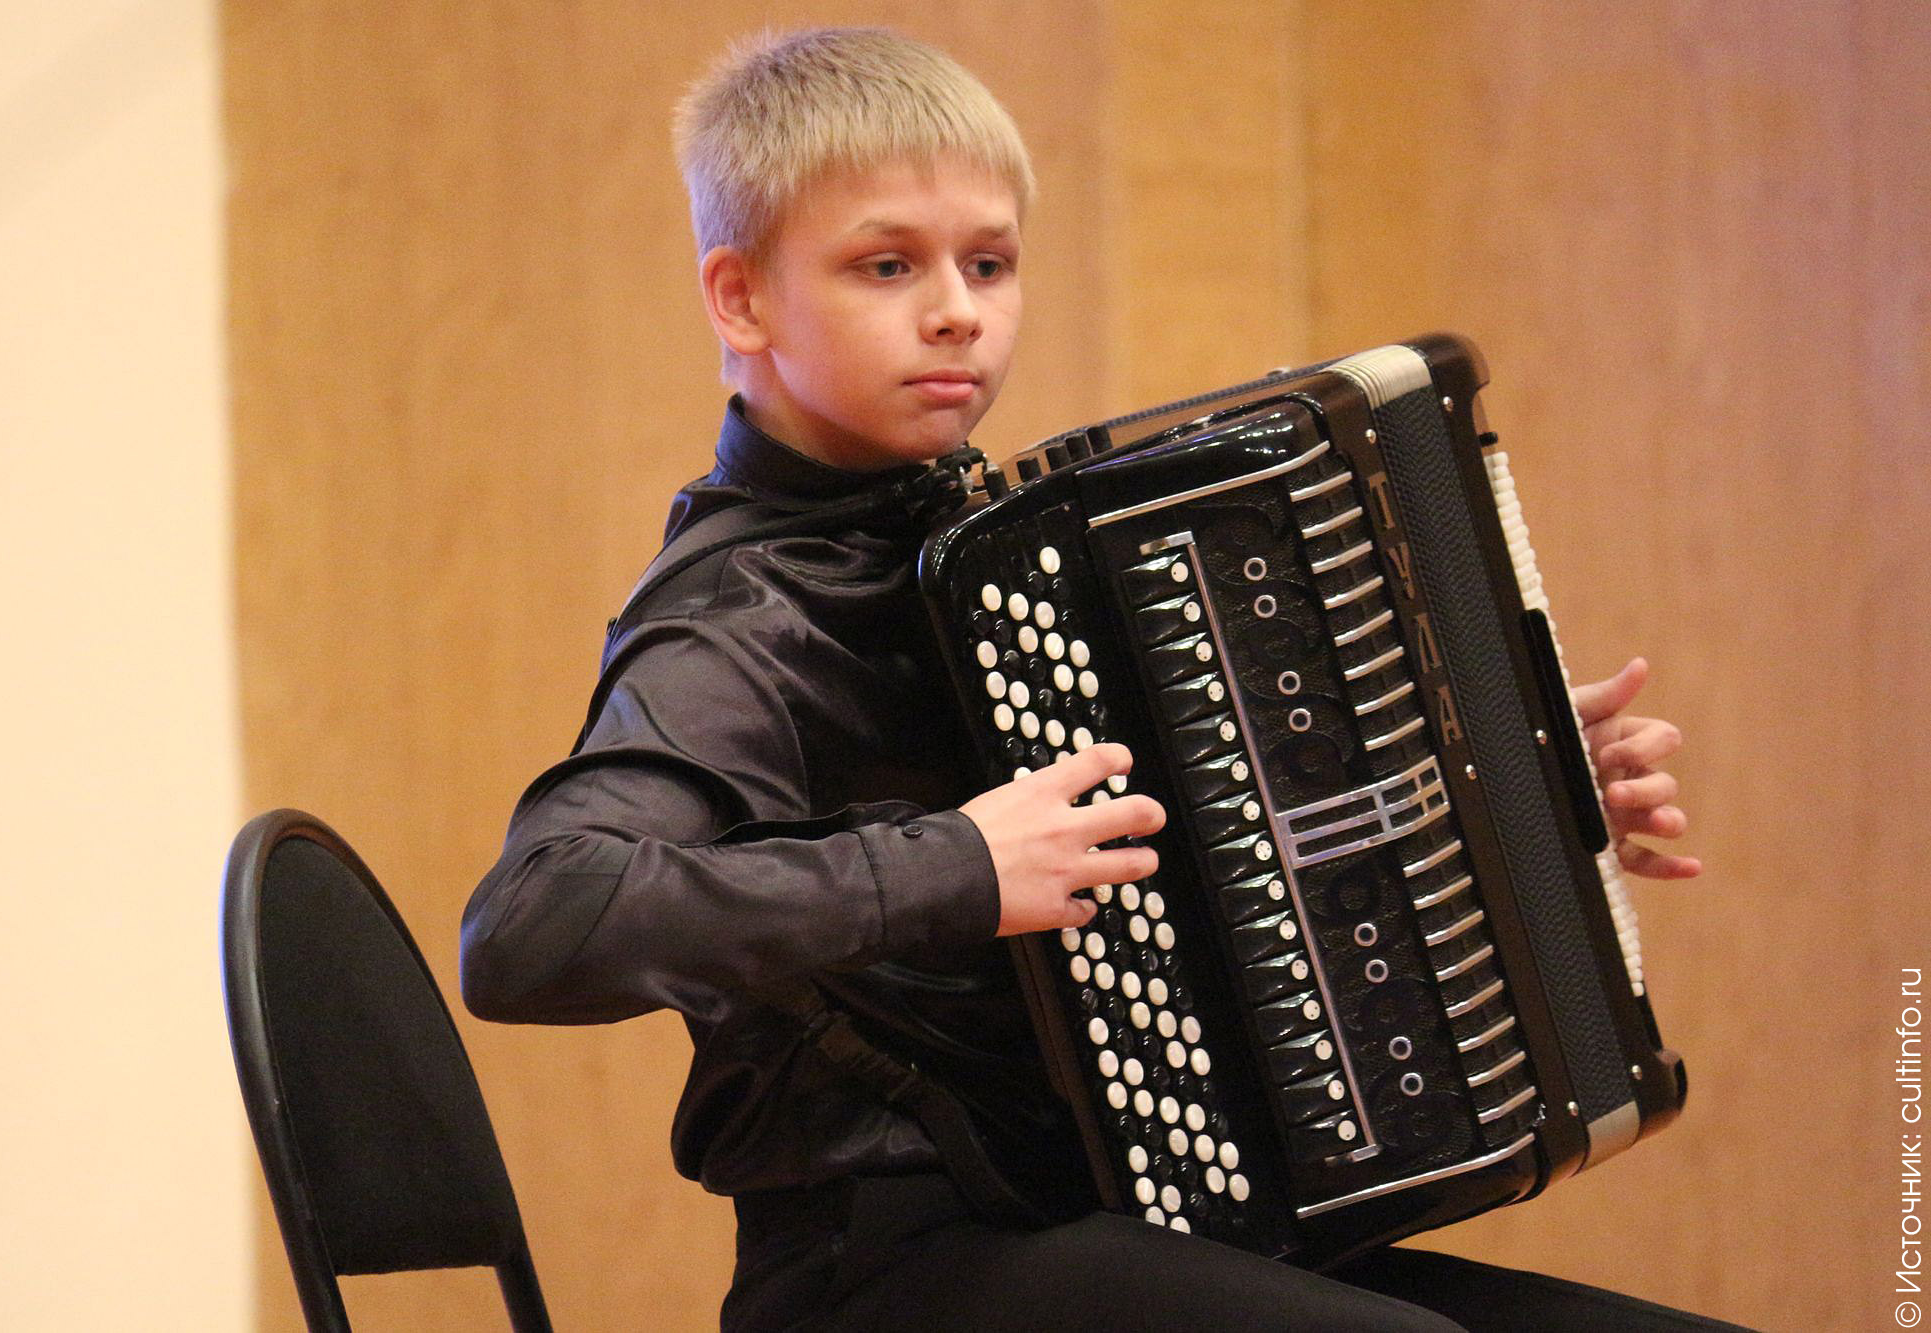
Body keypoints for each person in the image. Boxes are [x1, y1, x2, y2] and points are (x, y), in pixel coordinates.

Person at [461, 27, 1724, 1332]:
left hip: (1124, 1227)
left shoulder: (995, 558)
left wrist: (1509, 807)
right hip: (884, 1267)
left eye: (989, 263)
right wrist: (952, 865)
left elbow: (1233, 865)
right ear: (740, 300)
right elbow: (532, 927)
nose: (956, 307)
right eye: (885, 265)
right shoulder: (738, 615)